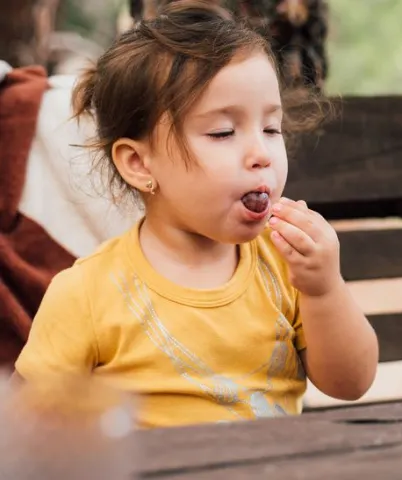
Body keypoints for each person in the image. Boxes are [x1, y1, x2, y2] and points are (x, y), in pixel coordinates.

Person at [11, 0, 379, 429]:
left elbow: (351, 383)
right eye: (223, 132)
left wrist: (324, 289)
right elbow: (28, 429)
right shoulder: (86, 294)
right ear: (140, 164)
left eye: (271, 128)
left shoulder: (285, 266)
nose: (261, 154)